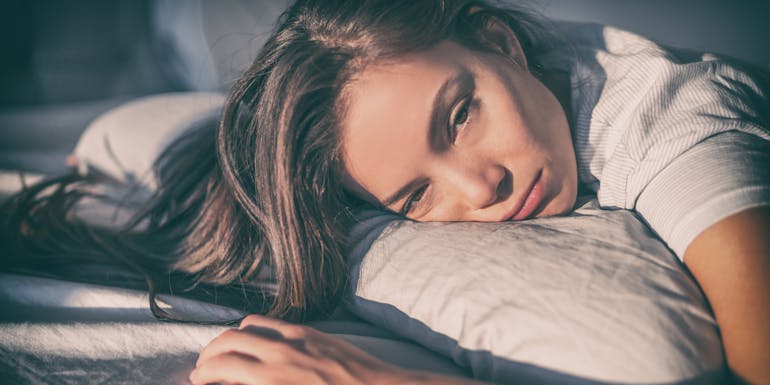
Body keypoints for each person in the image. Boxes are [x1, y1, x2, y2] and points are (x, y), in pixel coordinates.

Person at [3, 0, 769, 384]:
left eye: (461, 114)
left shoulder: (678, 117)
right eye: (414, 196)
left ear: (498, 41)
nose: (481, 187)